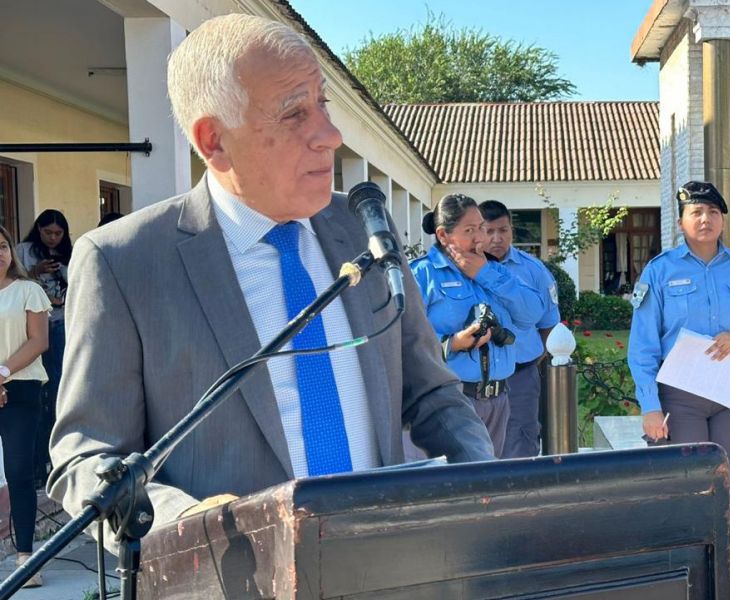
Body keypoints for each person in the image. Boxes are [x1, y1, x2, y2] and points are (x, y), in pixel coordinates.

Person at [47, 14, 495, 540]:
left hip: (385, 565)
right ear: (214, 140)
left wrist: (487, 490)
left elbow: (432, 394)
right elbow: (88, 456)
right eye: (293, 113)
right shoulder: (124, 262)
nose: (330, 135)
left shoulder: (362, 228)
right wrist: (191, 527)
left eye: (323, 105)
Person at [627, 181, 730, 599]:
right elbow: (641, 346)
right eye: (696, 213)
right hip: (680, 396)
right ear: (680, 222)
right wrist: (649, 407)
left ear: (723, 219)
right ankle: (692, 580)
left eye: (713, 212)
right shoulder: (660, 271)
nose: (705, 220)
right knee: (689, 486)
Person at [410, 195, 544, 457]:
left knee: (490, 487)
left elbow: (531, 313)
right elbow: (406, 342)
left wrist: (485, 274)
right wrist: (454, 342)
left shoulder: (493, 270)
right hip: (452, 400)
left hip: (499, 399)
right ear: (444, 235)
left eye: (481, 227)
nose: (481, 238)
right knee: (460, 485)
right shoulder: (423, 274)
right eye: (469, 230)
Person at [479, 200, 561, 458]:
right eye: (489, 231)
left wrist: (529, 359)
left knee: (521, 442)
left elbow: (549, 324)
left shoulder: (533, 270)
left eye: (503, 230)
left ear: (511, 230)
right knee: (478, 445)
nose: (497, 238)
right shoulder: (464, 269)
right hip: (475, 377)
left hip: (520, 375)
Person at [0, 225, 51, 587]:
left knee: (18, 471)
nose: (0, 253)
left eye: (2, 246)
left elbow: (39, 341)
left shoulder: (28, 290)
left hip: (20, 388)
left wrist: (1, 373)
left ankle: (26, 557)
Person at [16, 209, 71, 487]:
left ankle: (55, 459)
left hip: (61, 324)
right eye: (47, 232)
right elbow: (12, 280)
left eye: (58, 233)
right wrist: (36, 271)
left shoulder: (71, 253)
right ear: (38, 230)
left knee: (58, 390)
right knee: (35, 391)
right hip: (31, 326)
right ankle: (37, 463)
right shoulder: (23, 251)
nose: (52, 238)